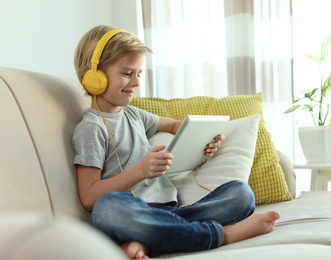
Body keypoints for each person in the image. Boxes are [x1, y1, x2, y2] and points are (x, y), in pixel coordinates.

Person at [72, 25, 280, 259]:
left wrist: (203, 138)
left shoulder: (134, 114)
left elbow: (173, 126)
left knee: (242, 194)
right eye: (127, 73)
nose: (136, 83)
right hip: (130, 215)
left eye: (139, 74)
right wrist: (141, 171)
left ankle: (148, 241)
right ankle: (223, 235)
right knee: (107, 208)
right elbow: (89, 198)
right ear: (94, 76)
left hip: (170, 209)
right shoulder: (91, 129)